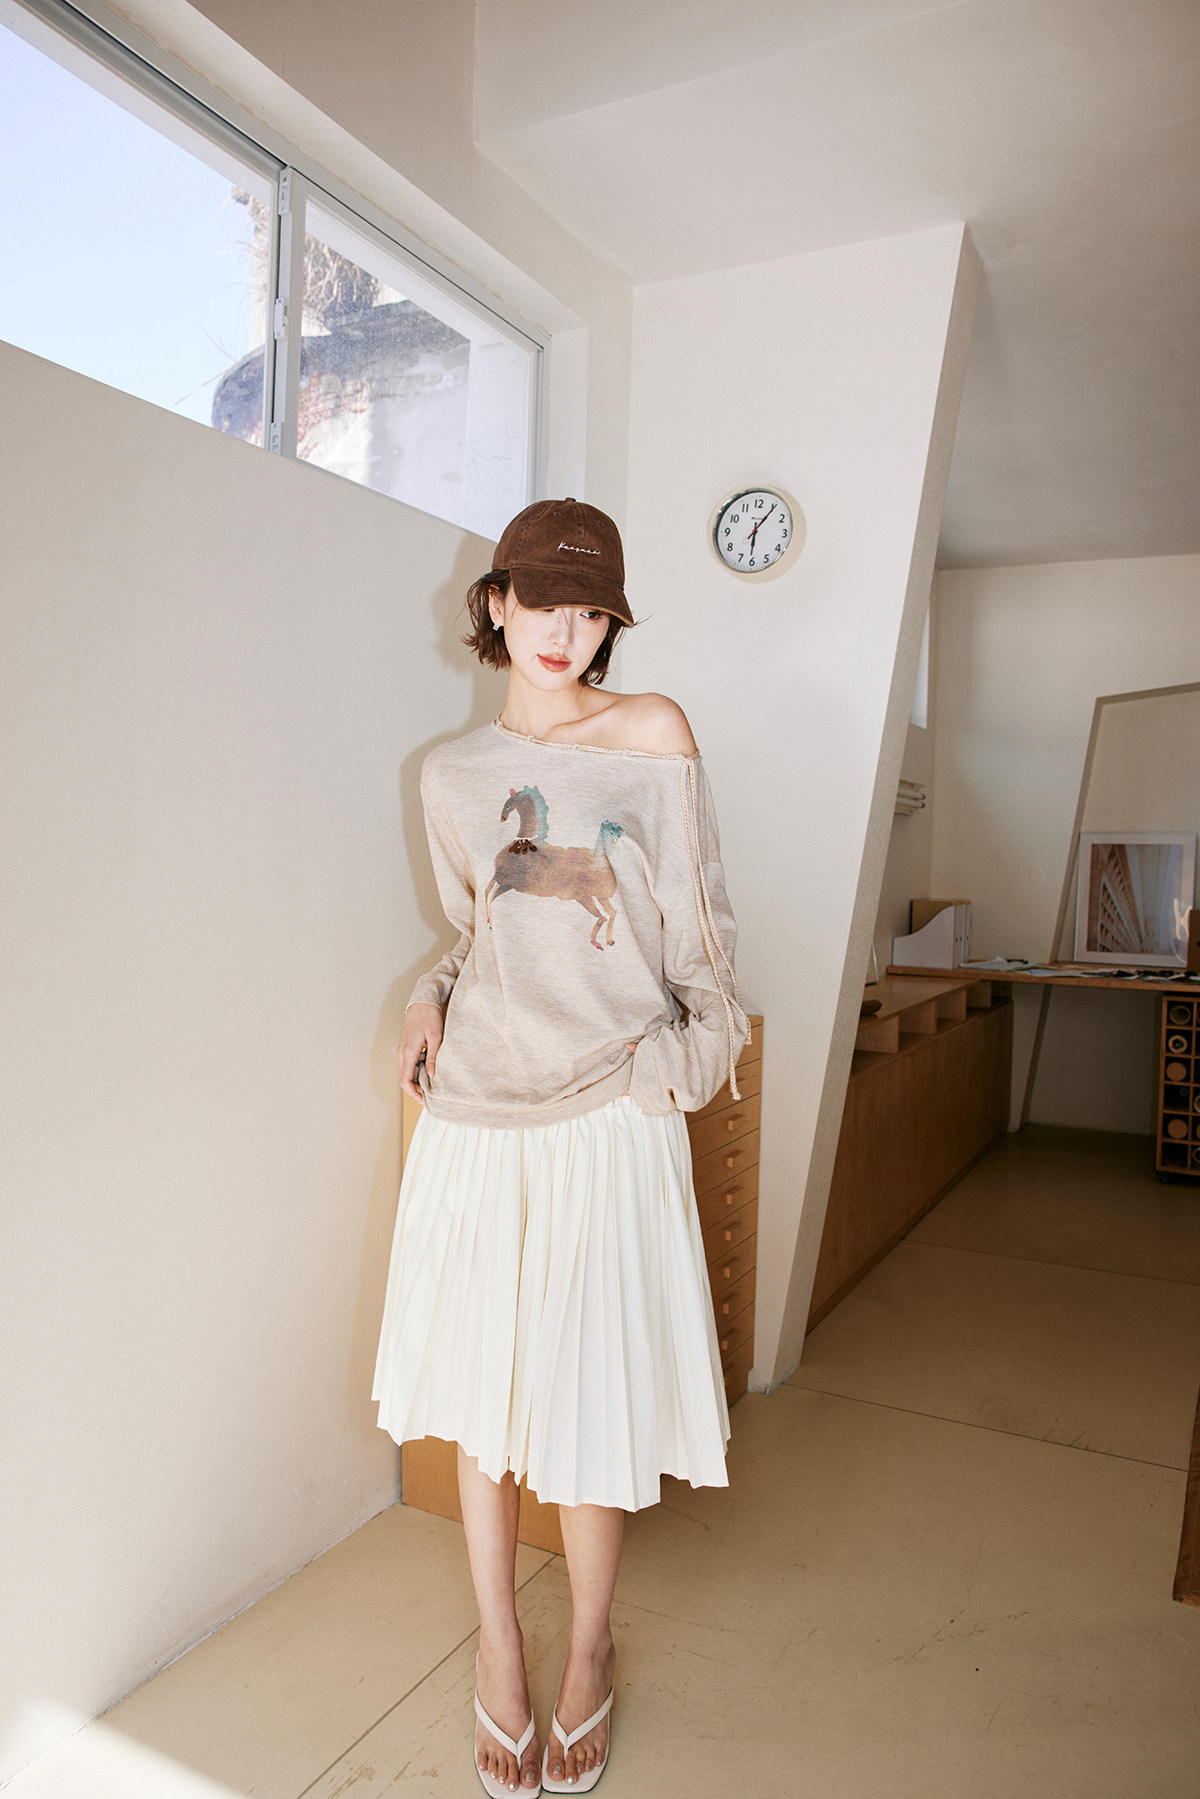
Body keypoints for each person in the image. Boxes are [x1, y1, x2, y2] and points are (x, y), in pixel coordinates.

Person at [373, 497, 749, 1797]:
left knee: (589, 1405)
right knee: (484, 1404)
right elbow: (482, 931)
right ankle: (500, 1649)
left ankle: (588, 1648)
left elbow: (704, 938)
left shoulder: (652, 736)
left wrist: (674, 1073)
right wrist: (428, 991)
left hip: (607, 1112)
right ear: (496, 604)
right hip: (477, 1114)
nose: (566, 633)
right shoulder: (450, 774)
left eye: (592, 612)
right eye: (544, 602)